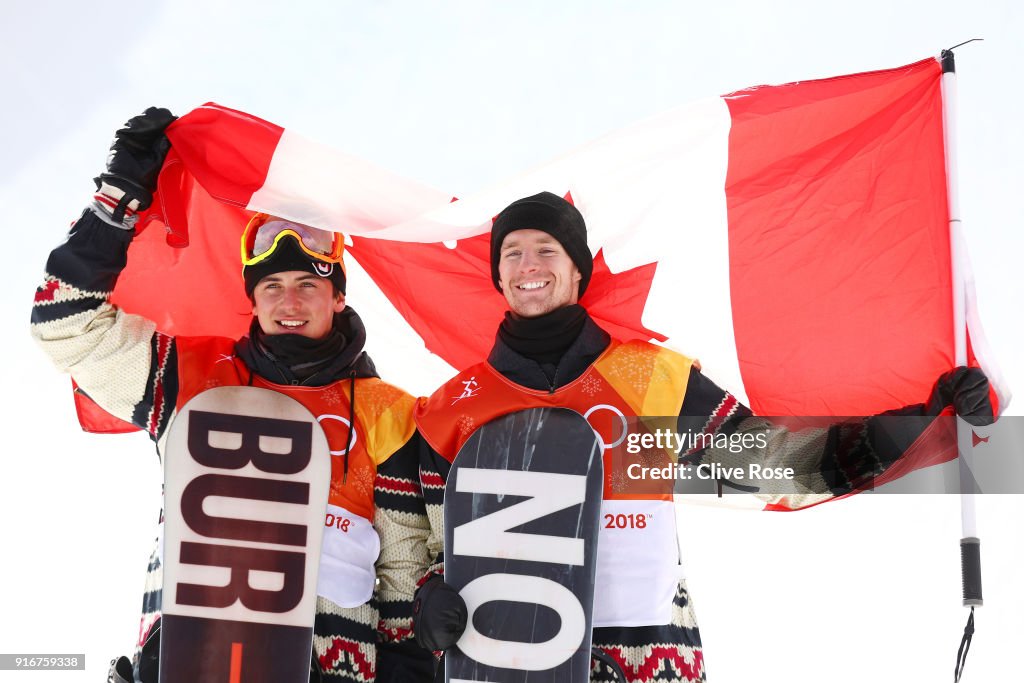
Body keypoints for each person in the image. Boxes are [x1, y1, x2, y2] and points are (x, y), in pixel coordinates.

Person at [409, 191, 993, 682]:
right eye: (512, 252)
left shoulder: (651, 377)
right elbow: (419, 542)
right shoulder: (455, 408)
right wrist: (426, 596)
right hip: (506, 655)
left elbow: (778, 467)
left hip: (648, 652)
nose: (527, 263)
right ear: (498, 275)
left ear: (578, 268)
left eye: (546, 249)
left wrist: (920, 418)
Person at [30, 109, 434, 682]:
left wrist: (406, 667)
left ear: (338, 297)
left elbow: (403, 563)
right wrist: (118, 200)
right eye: (272, 286)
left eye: (307, 286)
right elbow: (63, 323)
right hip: (190, 660)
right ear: (254, 299)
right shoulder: (190, 375)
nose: (289, 302)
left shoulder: (388, 411)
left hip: (329, 666)